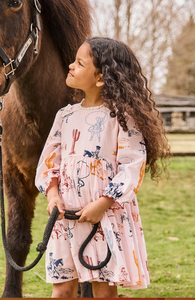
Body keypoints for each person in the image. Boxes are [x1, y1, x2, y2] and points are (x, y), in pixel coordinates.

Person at [35, 37, 171, 298]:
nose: (71, 66)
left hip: (104, 218)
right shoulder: (65, 115)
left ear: (100, 78)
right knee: (61, 289)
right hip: (66, 218)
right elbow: (49, 161)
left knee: (104, 289)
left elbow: (132, 166)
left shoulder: (120, 117)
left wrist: (103, 203)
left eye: (79, 63)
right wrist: (52, 195)